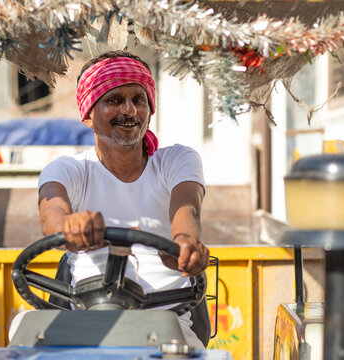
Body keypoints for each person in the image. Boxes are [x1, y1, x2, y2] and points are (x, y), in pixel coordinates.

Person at [12, 50, 210, 348]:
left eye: (138, 100)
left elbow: (187, 210)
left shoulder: (178, 160)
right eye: (114, 100)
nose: (129, 110)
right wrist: (69, 227)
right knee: (22, 333)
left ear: (150, 108)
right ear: (88, 114)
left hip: (165, 323)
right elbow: (51, 215)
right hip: (84, 320)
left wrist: (184, 243)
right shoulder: (68, 169)